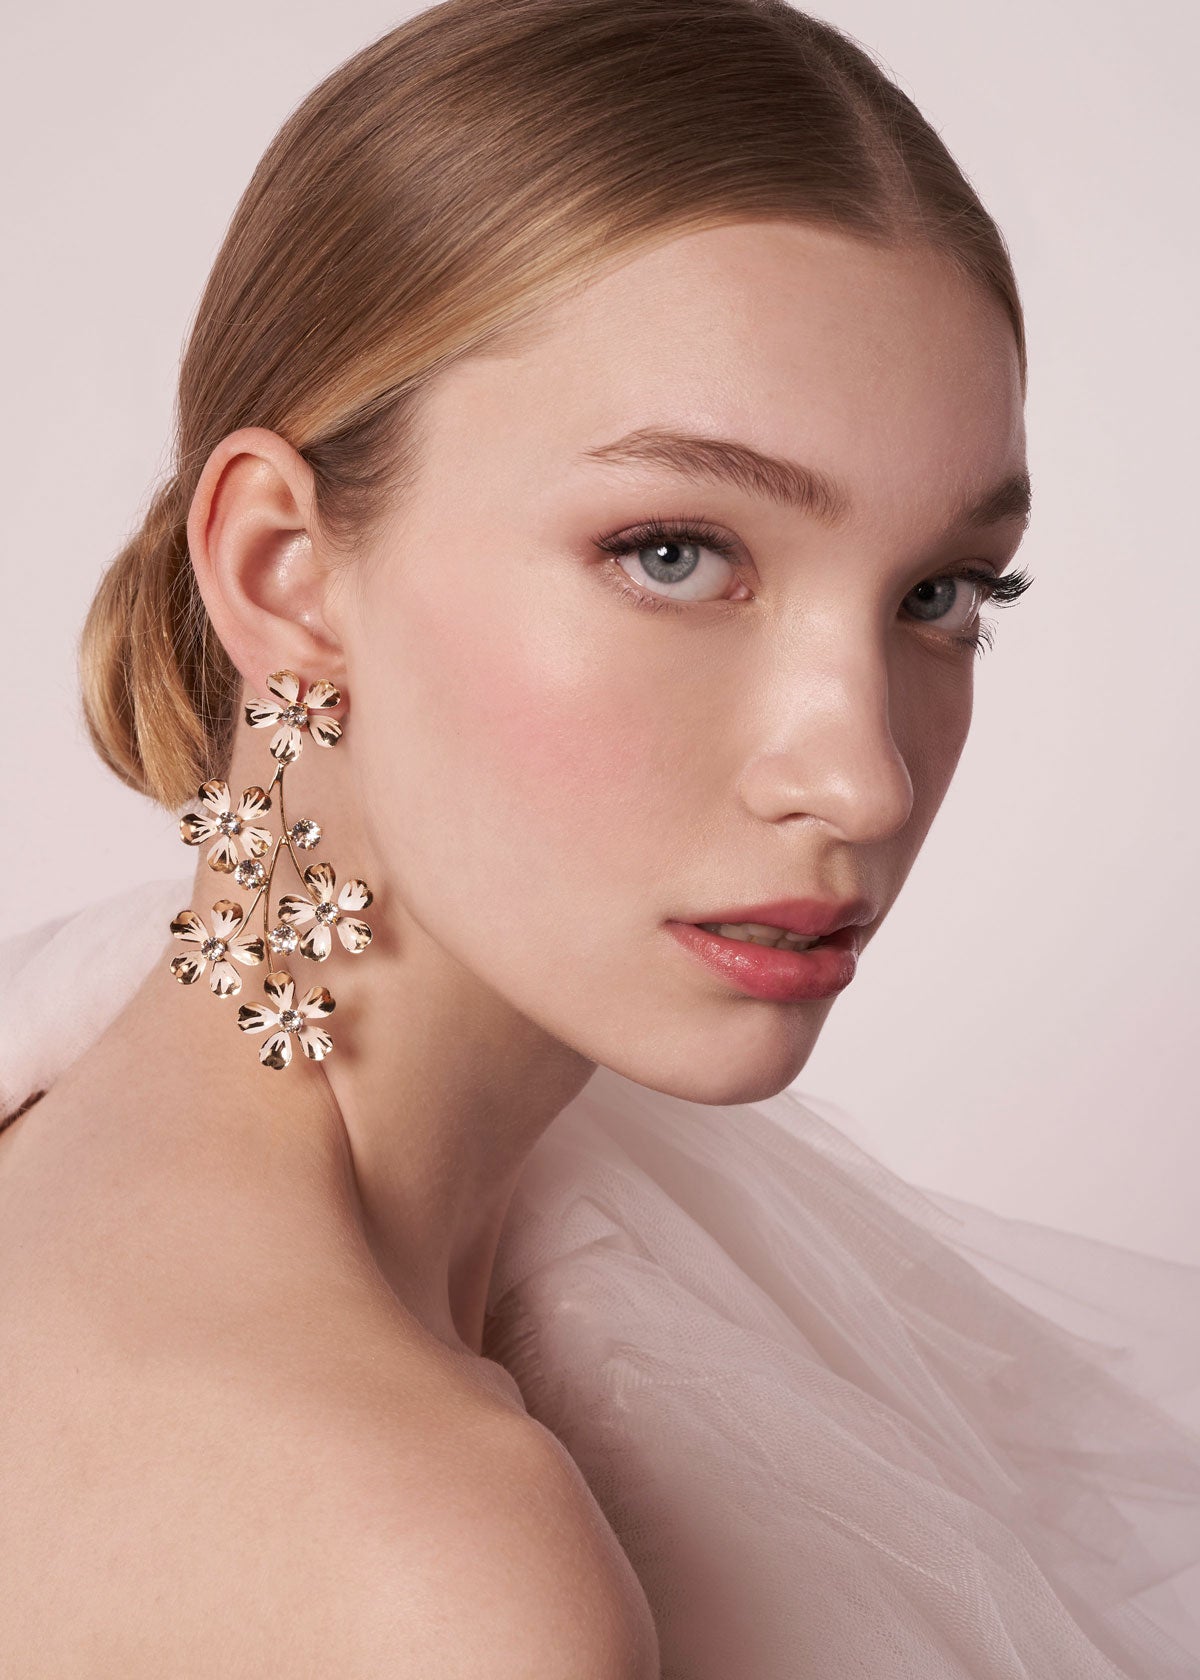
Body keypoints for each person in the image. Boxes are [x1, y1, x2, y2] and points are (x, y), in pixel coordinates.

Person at [1, 0, 1197, 1672]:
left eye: (941, 595)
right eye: (673, 553)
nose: (862, 781)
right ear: (283, 566)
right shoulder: (427, 1575)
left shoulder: (90, 1118)